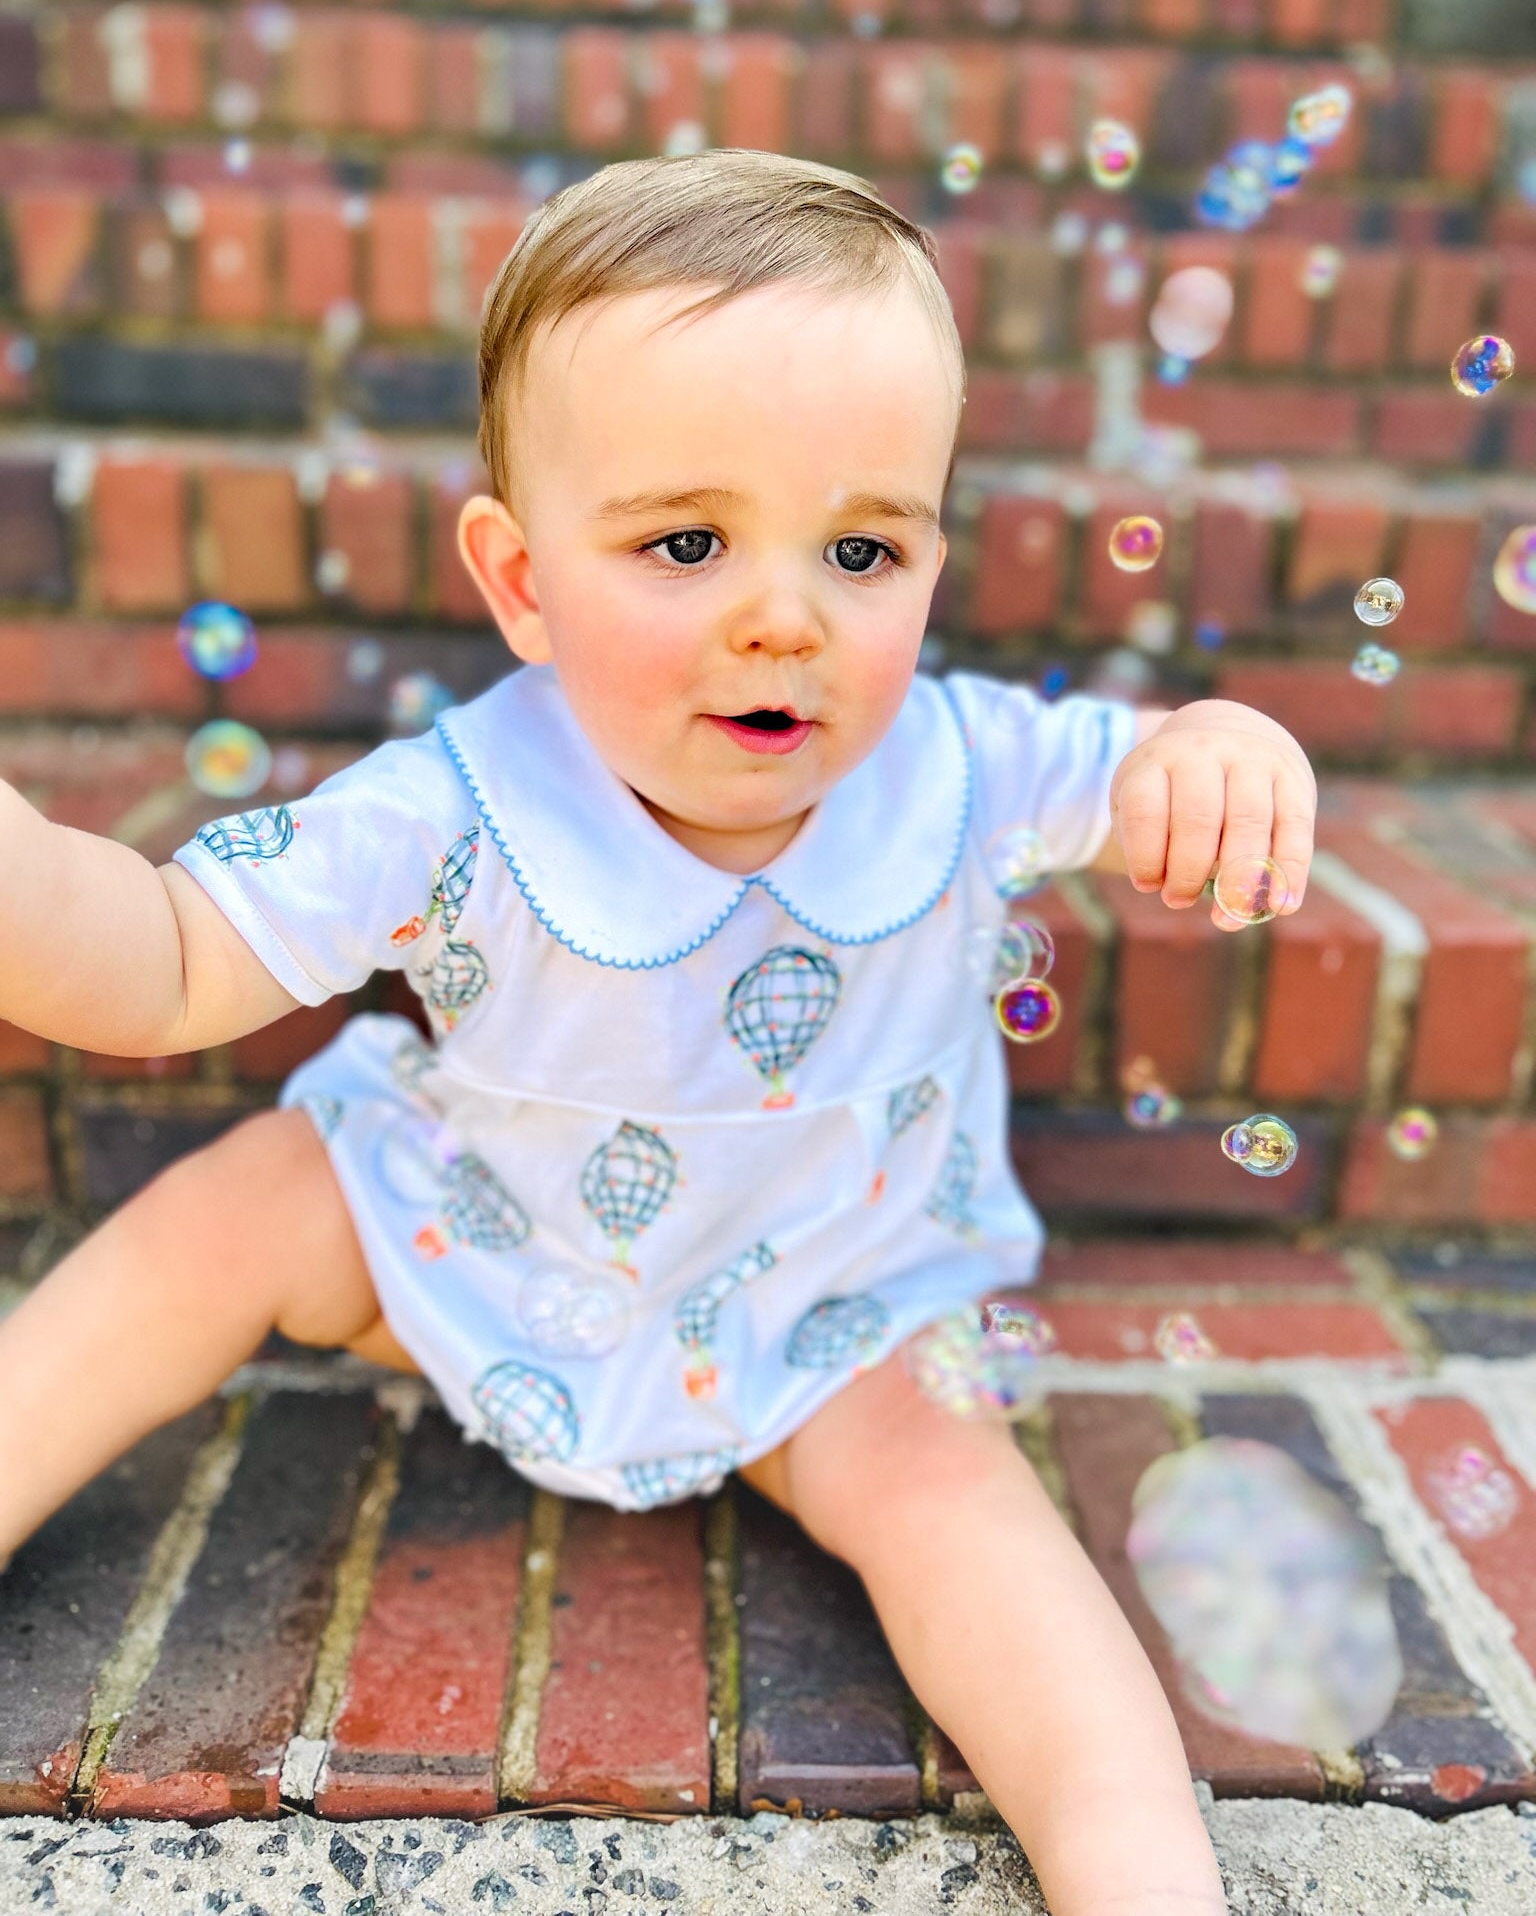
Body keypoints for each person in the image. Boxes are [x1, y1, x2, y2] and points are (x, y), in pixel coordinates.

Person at [0, 150, 1315, 1914]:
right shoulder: (455, 808)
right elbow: (160, 963)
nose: (787, 612)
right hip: (478, 1237)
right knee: (241, 1207)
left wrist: (1226, 747)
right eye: (686, 543)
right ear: (524, 580)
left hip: (824, 1290)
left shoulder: (965, 761)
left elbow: (1148, 764)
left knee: (967, 1510)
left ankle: (1139, 1868)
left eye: (862, 546)